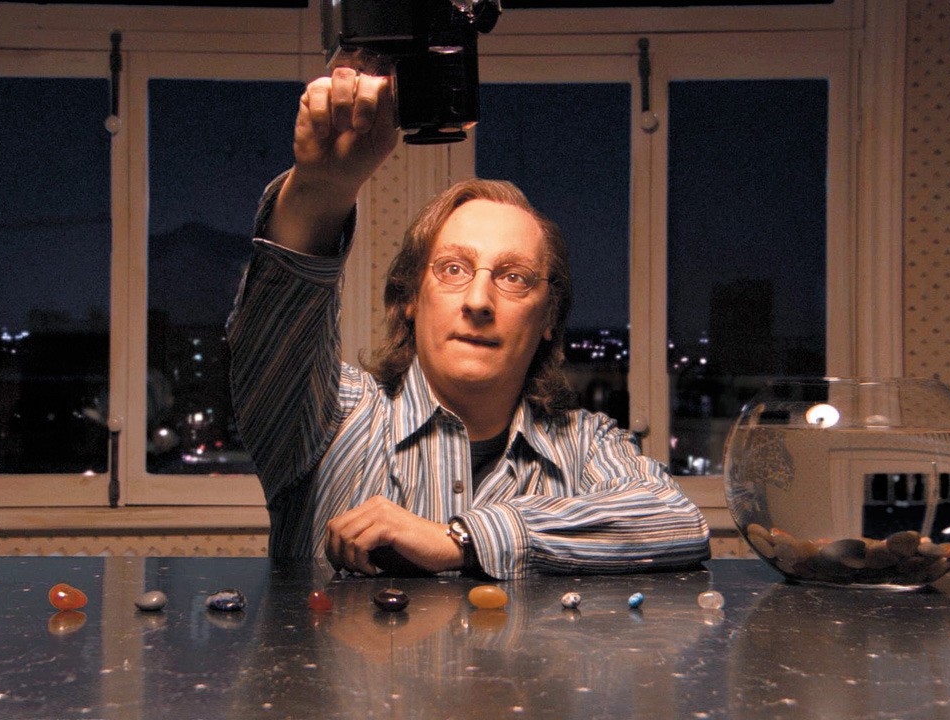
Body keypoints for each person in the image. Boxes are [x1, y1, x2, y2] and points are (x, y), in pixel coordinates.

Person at [227, 68, 709, 579]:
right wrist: (321, 192)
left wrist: (461, 539)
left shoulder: (586, 444)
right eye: (453, 269)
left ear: (548, 316)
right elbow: (277, 329)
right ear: (410, 298)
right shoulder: (329, 418)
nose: (479, 300)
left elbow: (677, 520)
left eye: (513, 277)